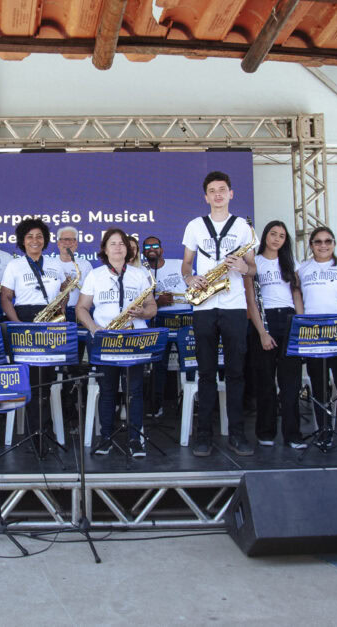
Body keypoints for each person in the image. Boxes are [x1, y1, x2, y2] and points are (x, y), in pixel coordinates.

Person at [181, 171, 256, 457]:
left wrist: (244, 268)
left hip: (234, 305)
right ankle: (204, 436)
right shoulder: (195, 226)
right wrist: (190, 279)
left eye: (222, 189)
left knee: (236, 372)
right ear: (206, 196)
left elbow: (253, 268)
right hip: (204, 306)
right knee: (206, 373)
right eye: (212, 190)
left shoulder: (243, 228)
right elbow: (186, 265)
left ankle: (237, 434)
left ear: (231, 193)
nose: (218, 194)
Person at [76, 228, 157, 458]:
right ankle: (106, 437)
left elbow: (153, 308)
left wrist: (142, 312)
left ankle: (135, 439)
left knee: (135, 390)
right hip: (106, 340)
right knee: (108, 390)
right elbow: (81, 308)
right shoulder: (95, 275)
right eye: (113, 243)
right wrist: (94, 329)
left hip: (134, 339)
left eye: (122, 243)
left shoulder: (139, 275)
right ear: (104, 249)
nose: (119, 247)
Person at [0, 217, 65, 452]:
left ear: (45, 240)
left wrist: (61, 311)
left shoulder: (56, 265)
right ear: (22, 241)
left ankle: (43, 431)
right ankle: (34, 434)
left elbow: (62, 294)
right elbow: (6, 297)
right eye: (29, 237)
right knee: (30, 380)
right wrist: (16, 323)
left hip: (49, 321)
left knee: (45, 380)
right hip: (24, 320)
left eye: (39, 236)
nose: (35, 240)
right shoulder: (15, 266)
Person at [296, 226, 337, 446]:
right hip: (314, 333)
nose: (323, 245)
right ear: (311, 244)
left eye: (328, 241)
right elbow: (298, 296)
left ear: (334, 243)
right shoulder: (303, 268)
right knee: (319, 384)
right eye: (318, 242)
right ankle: (324, 431)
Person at [243, 220, 305, 449]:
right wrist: (262, 333)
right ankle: (266, 432)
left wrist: (300, 325)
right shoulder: (254, 263)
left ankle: (293, 435)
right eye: (273, 233)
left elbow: (297, 296)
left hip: (289, 320)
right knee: (265, 382)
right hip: (264, 321)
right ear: (265, 236)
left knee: (291, 384)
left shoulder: (290, 262)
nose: (277, 238)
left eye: (281, 235)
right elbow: (250, 300)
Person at [143, 235, 188, 418]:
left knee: (191, 361)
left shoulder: (178, 264)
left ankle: (192, 404)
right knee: (158, 364)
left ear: (162, 249)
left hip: (186, 318)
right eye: (147, 247)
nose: (151, 249)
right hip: (161, 318)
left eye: (155, 245)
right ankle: (157, 405)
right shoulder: (143, 272)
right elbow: (140, 303)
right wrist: (157, 301)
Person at [55, 226, 92, 426]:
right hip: (57, 316)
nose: (67, 243)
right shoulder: (51, 264)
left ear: (76, 244)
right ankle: (57, 407)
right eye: (63, 240)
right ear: (58, 243)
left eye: (71, 240)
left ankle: (73, 409)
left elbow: (89, 295)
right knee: (58, 364)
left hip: (77, 314)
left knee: (75, 364)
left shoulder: (85, 265)